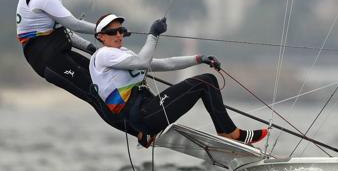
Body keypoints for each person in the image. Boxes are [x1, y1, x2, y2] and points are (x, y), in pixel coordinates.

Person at [89, 13, 268, 146]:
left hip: (147, 111)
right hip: (144, 115)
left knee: (207, 81)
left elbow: (165, 64)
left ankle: (146, 134)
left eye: (121, 30)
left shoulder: (123, 55)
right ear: (100, 37)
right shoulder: (104, 54)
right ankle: (229, 132)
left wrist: (199, 58)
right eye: (112, 32)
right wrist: (153, 34)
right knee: (206, 82)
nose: (118, 35)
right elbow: (143, 61)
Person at [16, 0, 127, 133]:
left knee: (104, 80)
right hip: (46, 59)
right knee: (94, 93)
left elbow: (64, 31)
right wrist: (108, 30)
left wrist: (90, 47)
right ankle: (138, 131)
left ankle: (141, 117)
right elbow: (73, 24)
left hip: (58, 52)